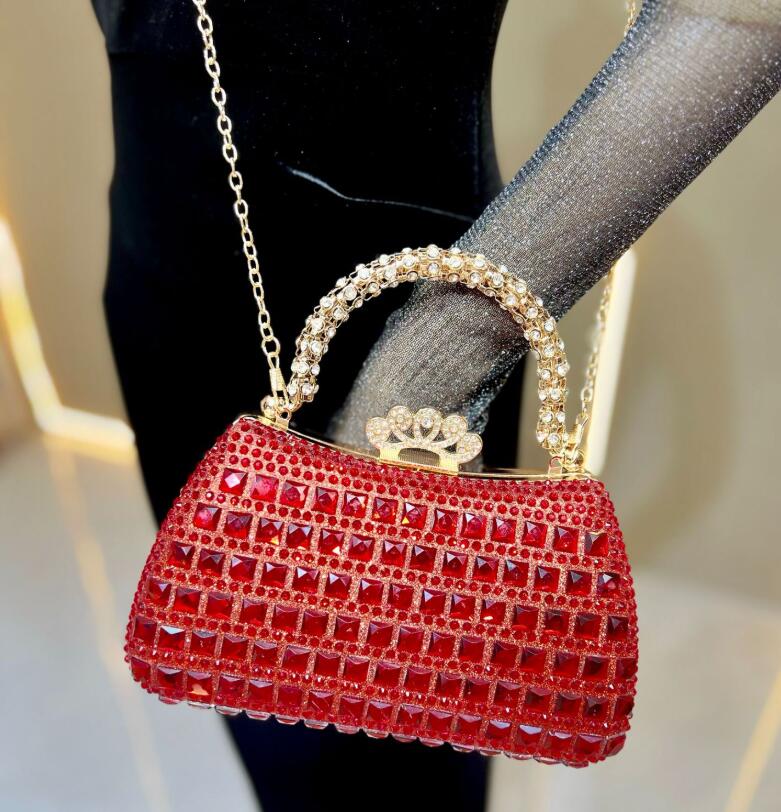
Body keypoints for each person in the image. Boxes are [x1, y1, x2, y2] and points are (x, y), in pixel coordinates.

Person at [91, 1, 781, 810]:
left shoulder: (433, 363)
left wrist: (434, 365)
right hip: (164, 291)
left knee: (422, 704)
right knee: (254, 675)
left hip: (438, 332)